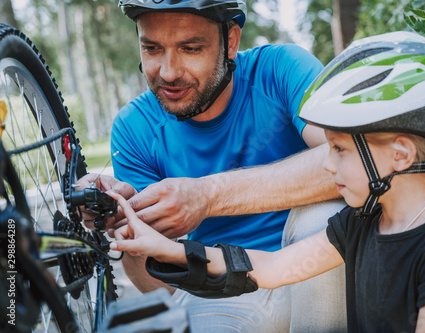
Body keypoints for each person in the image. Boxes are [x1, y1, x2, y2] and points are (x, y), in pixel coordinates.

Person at [107, 31, 425, 332]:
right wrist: (169, 249)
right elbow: (273, 267)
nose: (325, 165)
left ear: (400, 154)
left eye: (340, 150)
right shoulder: (359, 224)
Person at [79, 0, 347, 331]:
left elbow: (353, 156)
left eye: (190, 48)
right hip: (223, 287)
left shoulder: (281, 69)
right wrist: (124, 216)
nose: (168, 72)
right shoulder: (134, 127)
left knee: (324, 216)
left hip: (315, 264)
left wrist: (207, 196)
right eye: (151, 48)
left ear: (231, 42)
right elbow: (166, 291)